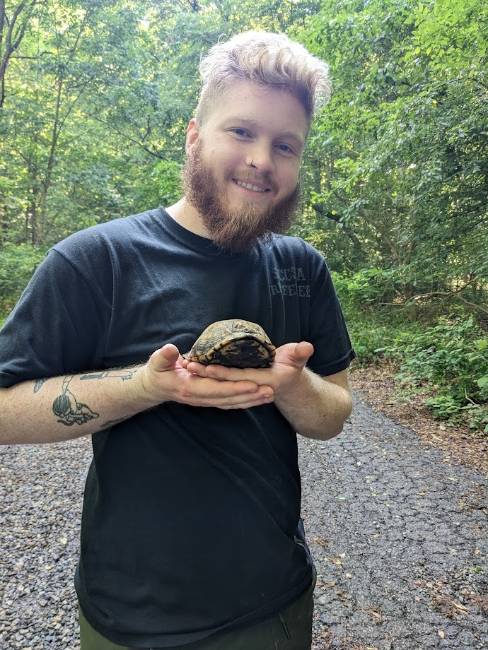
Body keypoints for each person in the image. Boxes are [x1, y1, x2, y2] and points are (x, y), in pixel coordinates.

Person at [0, 31, 355, 650]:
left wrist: (293, 384)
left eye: (285, 144)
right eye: (241, 131)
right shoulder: (98, 260)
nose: (262, 160)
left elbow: (334, 415)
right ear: (194, 133)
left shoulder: (303, 268)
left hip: (273, 605)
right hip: (130, 616)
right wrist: (143, 386)